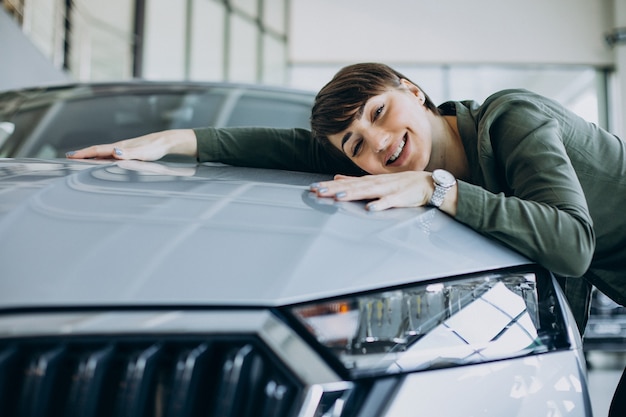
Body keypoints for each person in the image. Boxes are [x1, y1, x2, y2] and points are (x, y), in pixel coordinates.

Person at [68, 62, 625, 415]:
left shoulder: (513, 117)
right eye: (355, 145)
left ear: (413, 89)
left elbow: (573, 242)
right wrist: (175, 139)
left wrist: (437, 188)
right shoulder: (385, 154)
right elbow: (280, 147)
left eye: (380, 113)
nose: (378, 144)